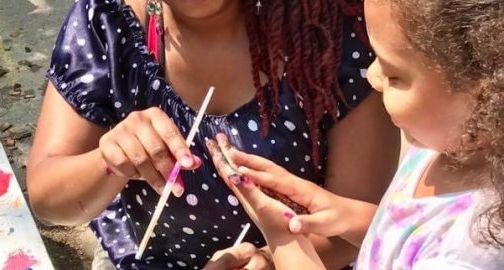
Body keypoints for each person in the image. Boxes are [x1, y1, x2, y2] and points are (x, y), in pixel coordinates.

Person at [26, 0, 400, 269]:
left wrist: (272, 260)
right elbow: (47, 198)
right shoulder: (107, 19)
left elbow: (355, 224)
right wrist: (110, 161)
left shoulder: (332, 30)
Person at [205, 0, 504, 269]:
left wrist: (283, 237)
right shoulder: (438, 143)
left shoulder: (472, 252)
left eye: (393, 74)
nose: (373, 77)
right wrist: (340, 213)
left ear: (483, 94)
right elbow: (406, 238)